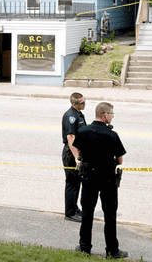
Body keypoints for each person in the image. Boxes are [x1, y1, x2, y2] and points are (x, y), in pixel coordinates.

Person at [72, 102, 128, 260]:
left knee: (87, 214)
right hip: (108, 179)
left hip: (89, 177)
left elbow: (79, 151)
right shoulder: (112, 135)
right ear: (105, 115)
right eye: (111, 114)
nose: (112, 117)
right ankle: (112, 251)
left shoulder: (83, 131)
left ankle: (84, 248)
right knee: (110, 216)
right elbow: (120, 160)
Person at [61, 92, 88, 222]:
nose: (84, 104)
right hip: (71, 154)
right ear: (74, 104)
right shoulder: (71, 116)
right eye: (81, 102)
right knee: (72, 183)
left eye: (84, 101)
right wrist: (77, 157)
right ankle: (70, 212)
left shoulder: (78, 113)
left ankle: (74, 207)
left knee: (77, 183)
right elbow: (71, 138)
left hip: (78, 152)